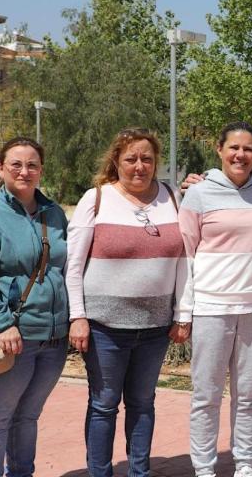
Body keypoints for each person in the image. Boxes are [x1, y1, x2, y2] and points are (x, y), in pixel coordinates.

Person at [65, 128, 189, 477]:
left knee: (143, 404)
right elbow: (73, 265)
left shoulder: (172, 197)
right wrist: (78, 316)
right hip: (104, 327)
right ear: (116, 161)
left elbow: (183, 262)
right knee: (104, 405)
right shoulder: (98, 198)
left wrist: (182, 314)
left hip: (155, 327)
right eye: (131, 158)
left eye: (147, 158)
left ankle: (139, 472)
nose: (140, 165)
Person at [0, 136, 70, 477]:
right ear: (1, 168)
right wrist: (2, 324)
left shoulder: (53, 213)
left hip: (51, 337)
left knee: (27, 417)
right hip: (9, 335)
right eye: (17, 164)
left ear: (41, 170)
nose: (25, 171)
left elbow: (63, 268)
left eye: (32, 165)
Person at [177, 121, 252, 477]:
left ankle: (244, 463)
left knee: (247, 392)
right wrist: (184, 312)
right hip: (211, 308)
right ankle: (204, 467)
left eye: (248, 149)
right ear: (219, 150)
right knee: (207, 394)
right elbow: (185, 255)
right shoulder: (199, 194)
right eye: (234, 147)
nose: (241, 155)